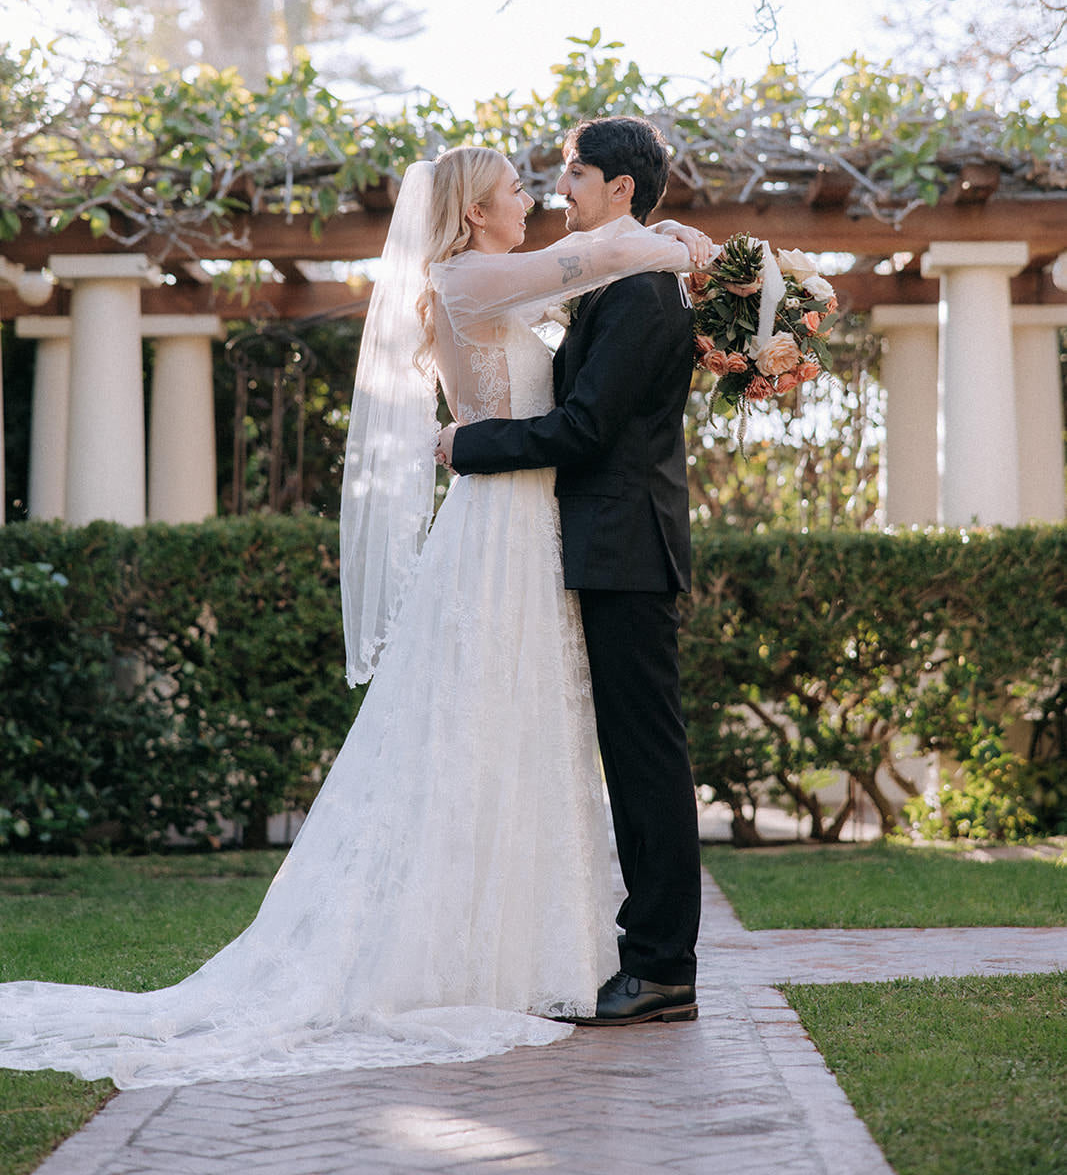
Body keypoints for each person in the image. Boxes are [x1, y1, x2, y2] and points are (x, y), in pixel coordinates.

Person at [0, 145, 712, 1090]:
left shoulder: (537, 282)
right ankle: (511, 952)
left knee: (535, 738)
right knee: (488, 737)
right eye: (515, 190)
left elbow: (584, 370)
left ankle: (581, 952)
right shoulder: (478, 275)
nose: (539, 196)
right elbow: (581, 277)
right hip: (510, 532)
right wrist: (671, 244)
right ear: (471, 211)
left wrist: (669, 250)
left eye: (560, 180)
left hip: (551, 534)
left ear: (614, 185)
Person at [437, 117, 705, 1026]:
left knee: (644, 763)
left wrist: (466, 445)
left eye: (576, 175)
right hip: (605, 544)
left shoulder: (638, 293)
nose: (561, 191)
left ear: (619, 189)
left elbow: (585, 430)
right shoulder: (620, 275)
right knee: (625, 761)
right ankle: (633, 954)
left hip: (625, 547)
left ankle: (662, 966)